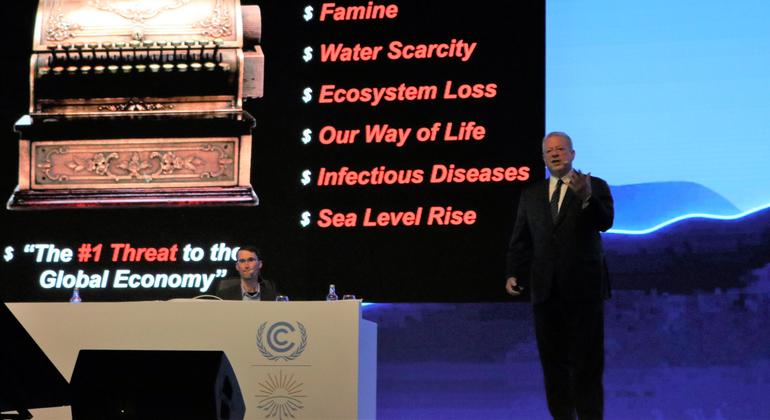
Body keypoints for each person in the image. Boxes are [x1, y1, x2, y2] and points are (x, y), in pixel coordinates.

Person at [505, 131, 614, 420]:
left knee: (587, 363)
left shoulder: (595, 185)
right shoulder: (531, 195)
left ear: (573, 154)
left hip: (584, 290)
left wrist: (586, 197)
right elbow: (521, 240)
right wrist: (513, 272)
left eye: (561, 149)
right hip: (545, 291)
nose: (555, 154)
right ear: (543, 157)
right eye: (549, 150)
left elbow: (605, 223)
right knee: (553, 364)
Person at [215, 245, 280, 301]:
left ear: (260, 264)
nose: (246, 266)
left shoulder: (273, 297)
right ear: (237, 266)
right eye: (242, 261)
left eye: (251, 260)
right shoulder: (223, 297)